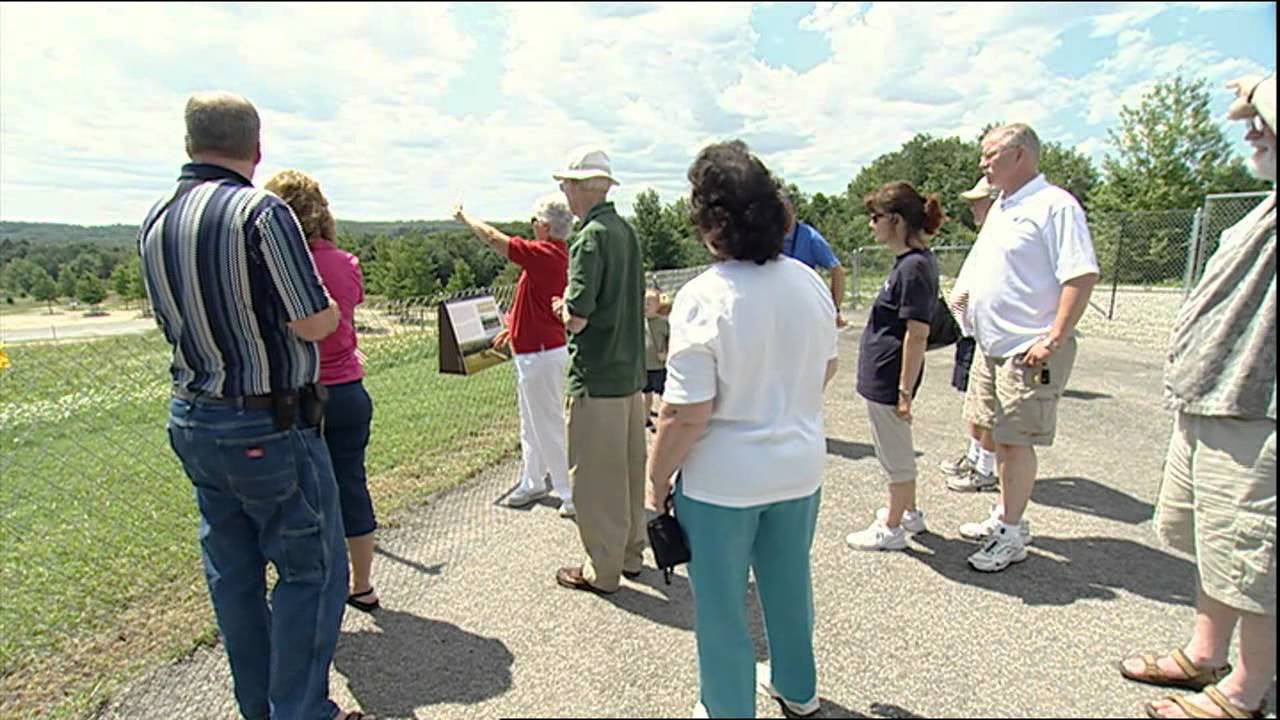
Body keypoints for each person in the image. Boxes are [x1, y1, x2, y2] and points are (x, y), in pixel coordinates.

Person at [140, 92, 369, 720]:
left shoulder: (157, 216)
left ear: (189, 143)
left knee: (233, 572)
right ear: (256, 148)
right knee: (310, 569)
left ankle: (259, 706)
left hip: (194, 413)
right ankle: (301, 709)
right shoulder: (261, 213)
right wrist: (325, 312)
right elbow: (313, 320)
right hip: (267, 418)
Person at [646, 140, 839, 718]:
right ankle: (798, 688)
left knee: (722, 606)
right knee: (789, 584)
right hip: (798, 466)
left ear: (710, 224)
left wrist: (656, 480)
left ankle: (728, 706)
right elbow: (826, 366)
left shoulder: (703, 296)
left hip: (723, 482)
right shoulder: (807, 281)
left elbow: (685, 412)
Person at [1119, 72, 1276, 720]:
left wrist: (1262, 84)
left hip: (1257, 413)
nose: (1253, 129)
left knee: (1256, 561)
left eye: (1263, 120)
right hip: (1213, 401)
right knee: (1219, 547)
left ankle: (1246, 691)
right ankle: (1206, 654)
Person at [955, 123, 1100, 573]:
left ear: (1020, 155)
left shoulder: (1055, 206)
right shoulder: (1003, 206)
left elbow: (1080, 275)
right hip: (992, 347)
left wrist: (1053, 338)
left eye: (990, 154)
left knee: (1015, 443)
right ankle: (1005, 515)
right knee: (996, 436)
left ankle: (1011, 533)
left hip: (1027, 348)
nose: (983, 163)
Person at [264, 169, 381, 613]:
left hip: (298, 392)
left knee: (300, 496)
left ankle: (315, 590)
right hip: (348, 388)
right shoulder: (346, 262)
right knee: (351, 484)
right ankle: (362, 584)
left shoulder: (275, 267)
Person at [548, 147, 648, 594]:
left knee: (594, 478)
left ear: (580, 187)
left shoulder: (589, 238)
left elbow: (578, 317)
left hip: (598, 373)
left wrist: (560, 307)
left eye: (566, 185)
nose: (565, 193)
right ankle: (631, 553)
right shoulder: (625, 231)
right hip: (629, 372)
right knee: (628, 470)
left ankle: (602, 570)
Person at [453, 195, 575, 518]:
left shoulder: (545, 253)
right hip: (536, 351)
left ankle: (568, 492)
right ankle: (533, 480)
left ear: (544, 226)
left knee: (547, 424)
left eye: (535, 221)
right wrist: (515, 328)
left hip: (540, 354)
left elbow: (493, 239)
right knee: (532, 423)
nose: (532, 226)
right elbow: (535, 301)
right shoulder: (555, 255)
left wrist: (465, 218)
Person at [845, 182, 944, 551]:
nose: (871, 224)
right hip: (884, 373)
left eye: (876, 217)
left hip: (890, 377)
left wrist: (904, 391)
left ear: (897, 220)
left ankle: (891, 527)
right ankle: (909, 512)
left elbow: (917, 334)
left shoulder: (915, 267)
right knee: (894, 447)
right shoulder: (908, 263)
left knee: (895, 455)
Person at [940, 177, 1001, 490]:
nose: (973, 207)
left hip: (991, 337)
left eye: (979, 200)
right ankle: (976, 457)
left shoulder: (1004, 235)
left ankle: (986, 468)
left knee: (990, 408)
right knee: (974, 402)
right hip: (975, 334)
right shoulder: (988, 236)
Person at [781, 191, 847, 327]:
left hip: (804, 309)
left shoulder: (811, 238)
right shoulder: (765, 236)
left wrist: (834, 309)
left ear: (794, 212)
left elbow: (837, 270)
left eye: (785, 211)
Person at [643, 287, 671, 431]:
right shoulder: (638, 322)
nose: (645, 306)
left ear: (657, 306)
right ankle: (646, 418)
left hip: (659, 366)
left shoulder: (663, 323)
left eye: (649, 303)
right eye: (643, 302)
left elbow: (670, 339)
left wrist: (666, 352)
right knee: (646, 394)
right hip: (644, 366)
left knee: (662, 394)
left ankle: (663, 419)